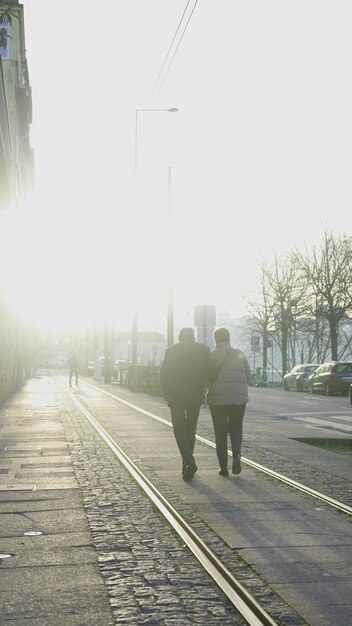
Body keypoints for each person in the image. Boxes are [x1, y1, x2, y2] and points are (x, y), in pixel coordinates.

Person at [160, 327, 212, 481]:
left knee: (178, 430)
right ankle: (187, 463)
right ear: (193, 337)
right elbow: (210, 372)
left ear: (179, 337)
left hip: (177, 395)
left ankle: (189, 462)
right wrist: (205, 387)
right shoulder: (203, 350)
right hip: (195, 395)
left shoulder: (171, 350)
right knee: (191, 429)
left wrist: (167, 392)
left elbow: (164, 373)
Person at [207, 327, 251, 476]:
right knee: (236, 428)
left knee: (220, 433)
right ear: (229, 338)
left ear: (215, 339)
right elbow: (248, 376)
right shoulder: (239, 354)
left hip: (217, 400)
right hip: (238, 399)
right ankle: (237, 455)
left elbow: (206, 379)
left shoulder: (211, 356)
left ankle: (223, 467)